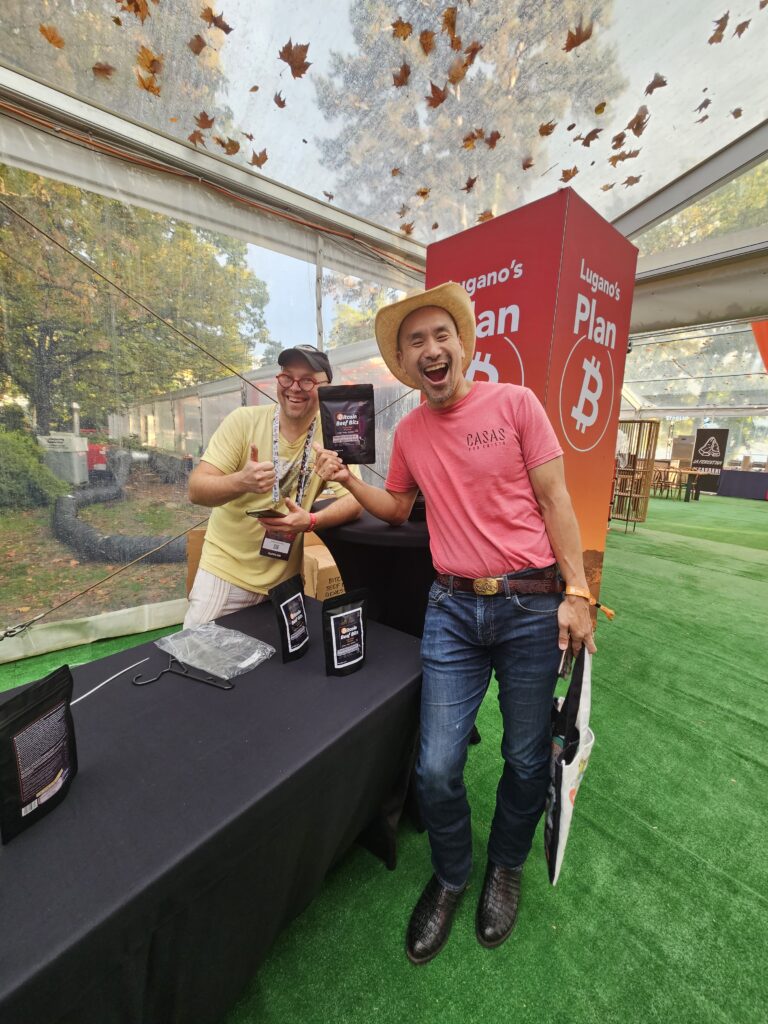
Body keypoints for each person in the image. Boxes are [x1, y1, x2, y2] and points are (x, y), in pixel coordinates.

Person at [313, 282, 596, 964]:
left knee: (524, 757)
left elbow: (556, 500)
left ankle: (505, 865)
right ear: (407, 363)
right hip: (452, 610)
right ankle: (451, 874)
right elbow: (397, 506)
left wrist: (578, 591)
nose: (431, 350)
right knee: (437, 765)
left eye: (441, 335)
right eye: (416, 342)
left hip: (531, 604)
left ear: (463, 346)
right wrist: (348, 480)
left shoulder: (516, 404)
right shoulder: (410, 432)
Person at [185, 344, 361, 628]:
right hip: (225, 574)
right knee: (197, 652)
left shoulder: (332, 435)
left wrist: (311, 521)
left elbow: (355, 500)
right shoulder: (244, 422)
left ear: (326, 388)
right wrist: (240, 481)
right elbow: (196, 490)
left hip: (286, 584)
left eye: (307, 380)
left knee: (282, 659)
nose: (295, 387)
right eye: (287, 377)